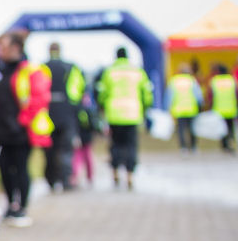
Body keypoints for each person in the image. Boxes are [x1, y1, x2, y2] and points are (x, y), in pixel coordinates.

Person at [0, 30, 52, 227]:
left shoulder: (31, 71)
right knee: (4, 169)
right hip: (0, 130)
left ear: (16, 48)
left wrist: (21, 122)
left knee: (21, 169)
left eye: (4, 47)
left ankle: (21, 207)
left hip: (21, 132)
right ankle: (10, 205)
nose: (1, 51)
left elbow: (39, 99)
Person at [96, 46, 153, 190]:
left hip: (114, 113)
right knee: (131, 145)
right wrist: (145, 106)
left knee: (115, 144)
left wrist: (102, 107)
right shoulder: (137, 72)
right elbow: (146, 93)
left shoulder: (109, 72)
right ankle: (130, 175)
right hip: (133, 113)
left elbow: (102, 93)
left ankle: (115, 172)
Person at [42, 42, 85, 192]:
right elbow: (76, 93)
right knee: (66, 149)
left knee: (49, 150)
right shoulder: (70, 68)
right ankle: (66, 179)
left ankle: (51, 179)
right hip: (66, 114)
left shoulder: (43, 67)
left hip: (47, 114)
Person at [166, 63, 203, 153]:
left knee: (181, 129)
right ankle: (193, 146)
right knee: (192, 129)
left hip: (179, 109)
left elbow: (169, 96)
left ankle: (183, 147)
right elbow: (199, 96)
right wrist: (200, 106)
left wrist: (167, 108)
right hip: (191, 109)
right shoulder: (192, 81)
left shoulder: (174, 81)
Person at [207, 62, 237, 154]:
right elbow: (237, 94)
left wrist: (210, 106)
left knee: (221, 128)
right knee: (230, 127)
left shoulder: (215, 81)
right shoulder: (232, 80)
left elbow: (210, 96)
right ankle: (230, 142)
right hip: (231, 108)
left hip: (219, 109)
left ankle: (224, 145)